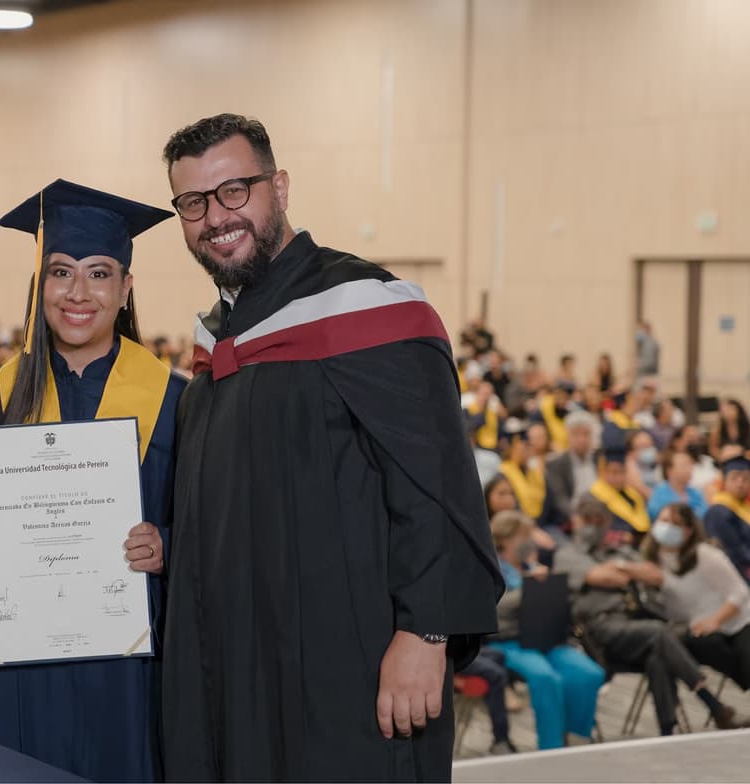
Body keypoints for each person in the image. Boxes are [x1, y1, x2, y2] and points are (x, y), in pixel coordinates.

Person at [158, 113, 502, 781]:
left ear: (279, 187)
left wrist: (425, 634)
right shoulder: (218, 344)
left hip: (353, 661)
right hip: (245, 663)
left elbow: (434, 489)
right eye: (193, 203)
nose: (216, 217)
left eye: (235, 190)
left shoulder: (370, 311)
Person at [0, 180, 186, 782]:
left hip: (131, 667)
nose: (78, 293)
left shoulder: (175, 401)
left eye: (98, 273)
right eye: (61, 272)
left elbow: (219, 520)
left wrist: (170, 543)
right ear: (41, 286)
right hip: (16, 666)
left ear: (126, 287)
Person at [555, 497, 749, 734]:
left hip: (634, 625)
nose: (594, 528)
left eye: (600, 522)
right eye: (588, 522)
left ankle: (668, 729)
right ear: (576, 522)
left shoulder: (619, 551)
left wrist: (622, 568)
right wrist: (628, 571)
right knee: (660, 632)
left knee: (658, 655)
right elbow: (601, 576)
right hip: (600, 629)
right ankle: (714, 705)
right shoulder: (567, 554)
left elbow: (655, 576)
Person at [488, 511, 604, 749]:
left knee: (589, 673)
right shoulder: (493, 570)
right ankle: (551, 746)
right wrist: (529, 589)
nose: (529, 541)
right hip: (510, 641)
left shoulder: (533, 565)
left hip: (545, 637)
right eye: (523, 536)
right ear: (505, 539)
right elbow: (494, 609)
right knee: (546, 678)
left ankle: (576, 735)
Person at [629, 503, 750, 692]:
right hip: (699, 630)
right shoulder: (650, 560)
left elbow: (740, 592)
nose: (667, 527)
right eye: (663, 521)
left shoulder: (705, 554)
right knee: (697, 642)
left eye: (675, 524)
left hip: (738, 621)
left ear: (689, 530)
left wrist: (715, 620)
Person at [587, 443, 650, 541]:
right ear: (603, 472)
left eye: (621, 472)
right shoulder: (592, 498)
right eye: (613, 472)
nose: (617, 477)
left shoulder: (632, 496)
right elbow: (591, 532)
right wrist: (620, 536)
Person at [545, 411, 598, 527]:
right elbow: (559, 498)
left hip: (598, 513)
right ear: (568, 436)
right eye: (576, 434)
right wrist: (574, 515)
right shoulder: (556, 464)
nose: (581, 440)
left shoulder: (599, 459)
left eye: (586, 434)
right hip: (571, 517)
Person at [704, 456, 750, 585]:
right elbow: (733, 551)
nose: (740, 483)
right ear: (724, 481)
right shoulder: (719, 511)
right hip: (736, 576)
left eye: (746, 479)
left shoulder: (745, 507)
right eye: (734, 478)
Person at [647, 451, 707, 522]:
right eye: (684, 465)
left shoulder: (696, 493)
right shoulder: (659, 493)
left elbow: (705, 514)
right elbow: (654, 512)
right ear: (669, 471)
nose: (690, 469)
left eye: (690, 465)